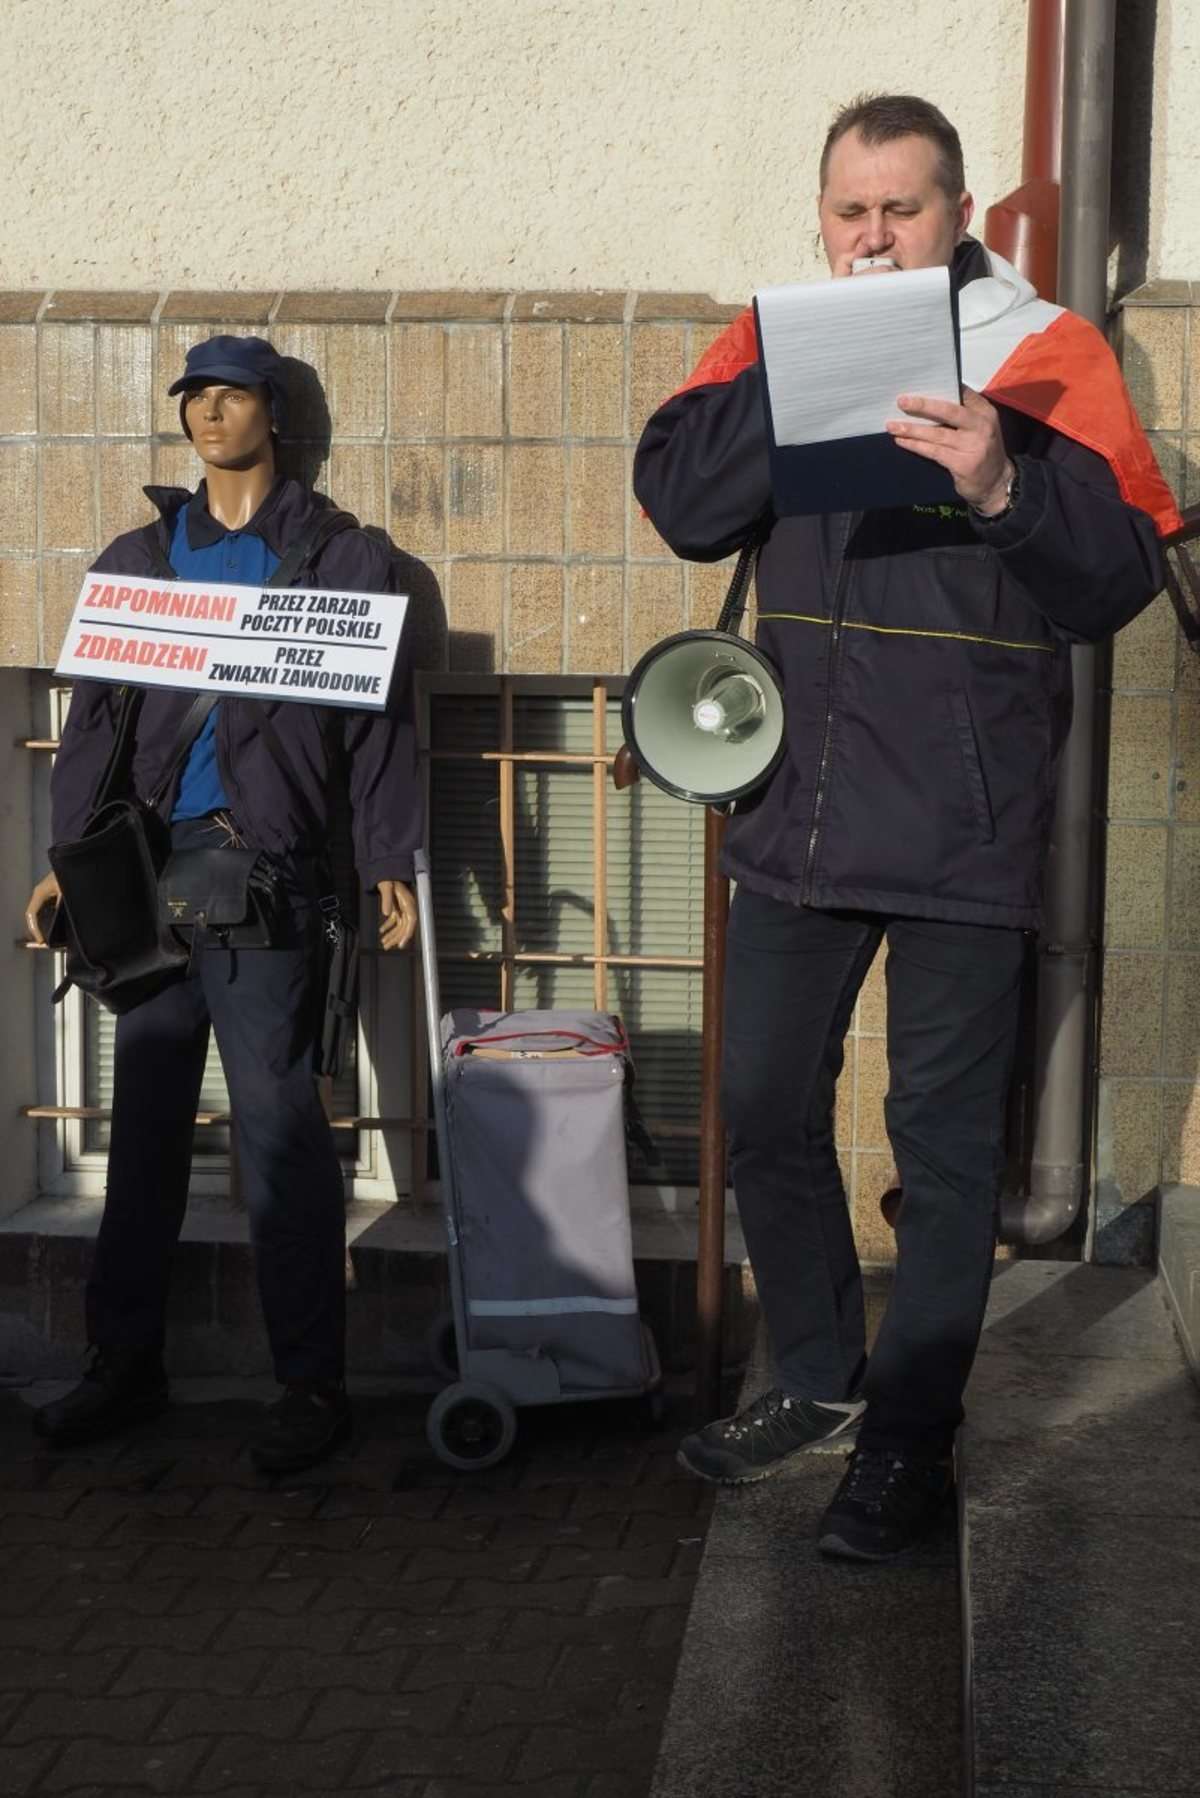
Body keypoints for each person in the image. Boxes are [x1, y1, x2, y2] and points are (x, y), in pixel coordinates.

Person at [634, 95, 1176, 1558]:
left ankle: (908, 1442)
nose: (873, 237)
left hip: (964, 821)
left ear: (961, 216)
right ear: (821, 216)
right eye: (849, 210)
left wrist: (1000, 477)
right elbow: (681, 499)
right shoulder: (767, 332)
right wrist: (802, 362)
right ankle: (815, 1377)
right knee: (758, 1106)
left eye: (903, 210)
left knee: (940, 1154)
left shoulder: (1045, 352)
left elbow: (1119, 578)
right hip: (796, 807)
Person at [24, 334, 424, 1474]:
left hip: (269, 890)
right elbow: (90, 724)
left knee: (283, 1137)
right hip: (149, 887)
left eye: (231, 393)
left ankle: (310, 1384)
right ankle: (124, 1364)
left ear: (274, 414)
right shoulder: (139, 557)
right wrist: (68, 859)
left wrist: (390, 855)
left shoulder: (341, 558)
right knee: (143, 1130)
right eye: (193, 394)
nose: (207, 411)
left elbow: (381, 726)